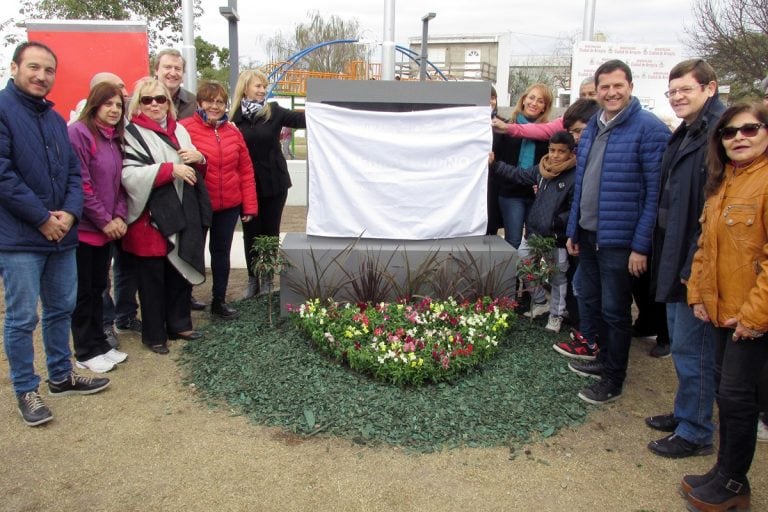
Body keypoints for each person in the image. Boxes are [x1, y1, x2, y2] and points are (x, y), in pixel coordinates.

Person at [0, 41, 110, 427]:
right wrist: (43, 218)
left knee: (61, 308)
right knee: (21, 318)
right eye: (33, 67)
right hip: (19, 238)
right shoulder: (2, 109)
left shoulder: (53, 118)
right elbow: (3, 176)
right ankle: (26, 390)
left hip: (62, 235)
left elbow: (72, 174)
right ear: (14, 68)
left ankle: (61, 375)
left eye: (48, 70)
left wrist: (69, 213)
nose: (41, 76)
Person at [564, 59, 670, 404]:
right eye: (604, 87)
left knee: (615, 310)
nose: (611, 92)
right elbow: (582, 183)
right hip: (589, 233)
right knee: (592, 302)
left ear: (630, 87)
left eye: (617, 86)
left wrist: (640, 247)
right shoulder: (594, 124)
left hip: (620, 241)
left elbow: (655, 194)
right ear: (596, 91)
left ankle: (613, 378)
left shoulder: (649, 129)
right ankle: (604, 360)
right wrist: (574, 229)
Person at [681, 103, 768, 511]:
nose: (739, 138)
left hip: (749, 319)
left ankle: (733, 483)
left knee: (737, 399)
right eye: (729, 132)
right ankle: (724, 471)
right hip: (720, 311)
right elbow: (706, 247)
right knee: (727, 397)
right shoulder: (723, 182)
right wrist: (697, 293)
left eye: (750, 129)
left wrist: (754, 317)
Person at [642, 59, 725, 459]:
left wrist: (695, 262)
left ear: (710, 88)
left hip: (698, 258)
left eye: (685, 90)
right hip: (677, 251)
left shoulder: (719, 133)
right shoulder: (690, 131)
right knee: (684, 344)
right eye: (672, 92)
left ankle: (696, 431)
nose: (676, 98)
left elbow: (714, 208)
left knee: (696, 350)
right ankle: (686, 412)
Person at [121, 78, 210, 355]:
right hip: (150, 218)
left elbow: (194, 170)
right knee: (152, 280)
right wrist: (169, 170)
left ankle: (179, 323)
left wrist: (199, 158)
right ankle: (154, 333)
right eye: (147, 100)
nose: (155, 104)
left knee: (178, 272)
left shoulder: (180, 130)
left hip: (182, 211)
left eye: (160, 99)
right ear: (138, 103)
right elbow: (128, 174)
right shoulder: (131, 133)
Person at [181, 81, 258, 319]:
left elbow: (245, 170)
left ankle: (219, 300)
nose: (215, 106)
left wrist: (249, 205)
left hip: (229, 205)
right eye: (209, 101)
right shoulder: (185, 128)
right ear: (199, 103)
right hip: (199, 204)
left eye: (220, 102)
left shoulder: (233, 132)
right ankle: (184, 299)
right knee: (191, 252)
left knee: (221, 253)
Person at [68, 81, 131, 373]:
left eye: (119, 105)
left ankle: (100, 343)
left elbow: (119, 185)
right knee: (84, 293)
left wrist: (118, 217)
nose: (114, 110)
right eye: (109, 104)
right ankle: (84, 349)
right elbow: (82, 185)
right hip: (85, 232)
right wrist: (106, 221)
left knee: (98, 288)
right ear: (95, 104)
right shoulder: (79, 134)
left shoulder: (113, 139)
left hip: (106, 232)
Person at [490, 131, 577, 333]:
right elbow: (518, 175)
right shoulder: (542, 169)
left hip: (556, 237)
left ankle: (556, 315)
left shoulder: (574, 175)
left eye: (561, 152)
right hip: (534, 232)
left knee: (557, 277)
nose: (555, 155)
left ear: (570, 153)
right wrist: (495, 165)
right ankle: (540, 301)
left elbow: (574, 208)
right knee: (521, 260)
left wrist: (557, 222)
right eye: (552, 150)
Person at [230, 69, 306, 298]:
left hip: (274, 184)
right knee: (250, 233)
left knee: (270, 233)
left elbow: (300, 120)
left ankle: (267, 280)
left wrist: (324, 108)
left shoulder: (273, 111)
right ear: (245, 88)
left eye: (264, 86)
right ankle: (253, 279)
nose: (263, 90)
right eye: (257, 86)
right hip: (247, 186)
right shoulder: (234, 119)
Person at [489, 83, 553, 249]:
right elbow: (496, 160)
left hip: (536, 196)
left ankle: (530, 276)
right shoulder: (505, 127)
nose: (534, 103)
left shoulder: (548, 133)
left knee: (534, 244)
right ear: (523, 100)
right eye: (531, 98)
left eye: (540, 101)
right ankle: (511, 276)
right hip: (511, 194)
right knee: (513, 241)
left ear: (545, 107)